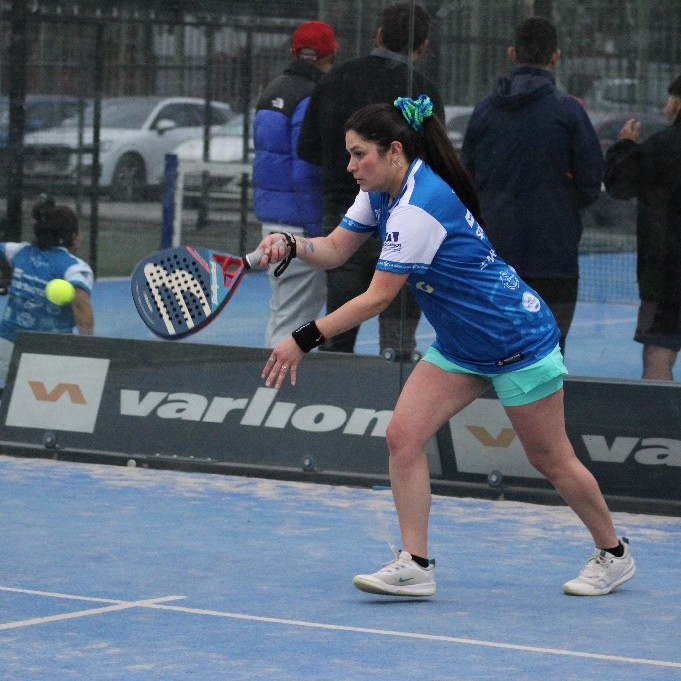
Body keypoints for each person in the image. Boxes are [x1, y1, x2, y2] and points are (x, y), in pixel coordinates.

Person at [256, 95, 635, 598]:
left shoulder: (417, 209)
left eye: (358, 154)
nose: (350, 166)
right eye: (348, 155)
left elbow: (377, 298)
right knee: (402, 437)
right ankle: (415, 564)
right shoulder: (379, 192)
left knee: (550, 458)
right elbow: (333, 249)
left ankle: (614, 553)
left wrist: (303, 338)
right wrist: (291, 243)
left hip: (515, 339)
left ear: (394, 152)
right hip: (461, 345)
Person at [297, 2, 445, 360]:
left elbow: (307, 148)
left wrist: (343, 172)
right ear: (423, 46)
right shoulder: (423, 93)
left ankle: (334, 391)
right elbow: (435, 164)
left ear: (379, 36)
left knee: (336, 337)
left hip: (343, 216)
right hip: (402, 221)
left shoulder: (334, 81)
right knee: (397, 347)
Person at [461, 16, 605, 354]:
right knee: (549, 353)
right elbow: (590, 181)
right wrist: (560, 206)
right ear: (556, 57)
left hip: (494, 253)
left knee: (492, 351)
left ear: (512, 54)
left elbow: (465, 178)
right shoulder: (569, 112)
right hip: (554, 256)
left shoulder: (484, 111)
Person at [253, 20, 339, 347]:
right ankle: (277, 381)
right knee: (294, 325)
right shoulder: (313, 97)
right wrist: (316, 233)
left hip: (273, 222)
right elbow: (305, 171)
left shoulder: (271, 91)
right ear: (329, 55)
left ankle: (273, 378)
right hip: (300, 227)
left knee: (284, 313)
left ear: (294, 52)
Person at [603, 75, 681, 381]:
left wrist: (624, 146)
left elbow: (619, 186)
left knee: (658, 353)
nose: (664, 107)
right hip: (664, 277)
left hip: (665, 277)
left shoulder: (661, 147)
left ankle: (658, 413)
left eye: (669, 100)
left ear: (676, 104)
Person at [0, 195, 94, 385]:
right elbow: (80, 304)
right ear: (74, 237)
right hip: (51, 352)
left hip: (6, 346)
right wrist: (89, 349)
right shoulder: (75, 267)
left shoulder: (19, 251)